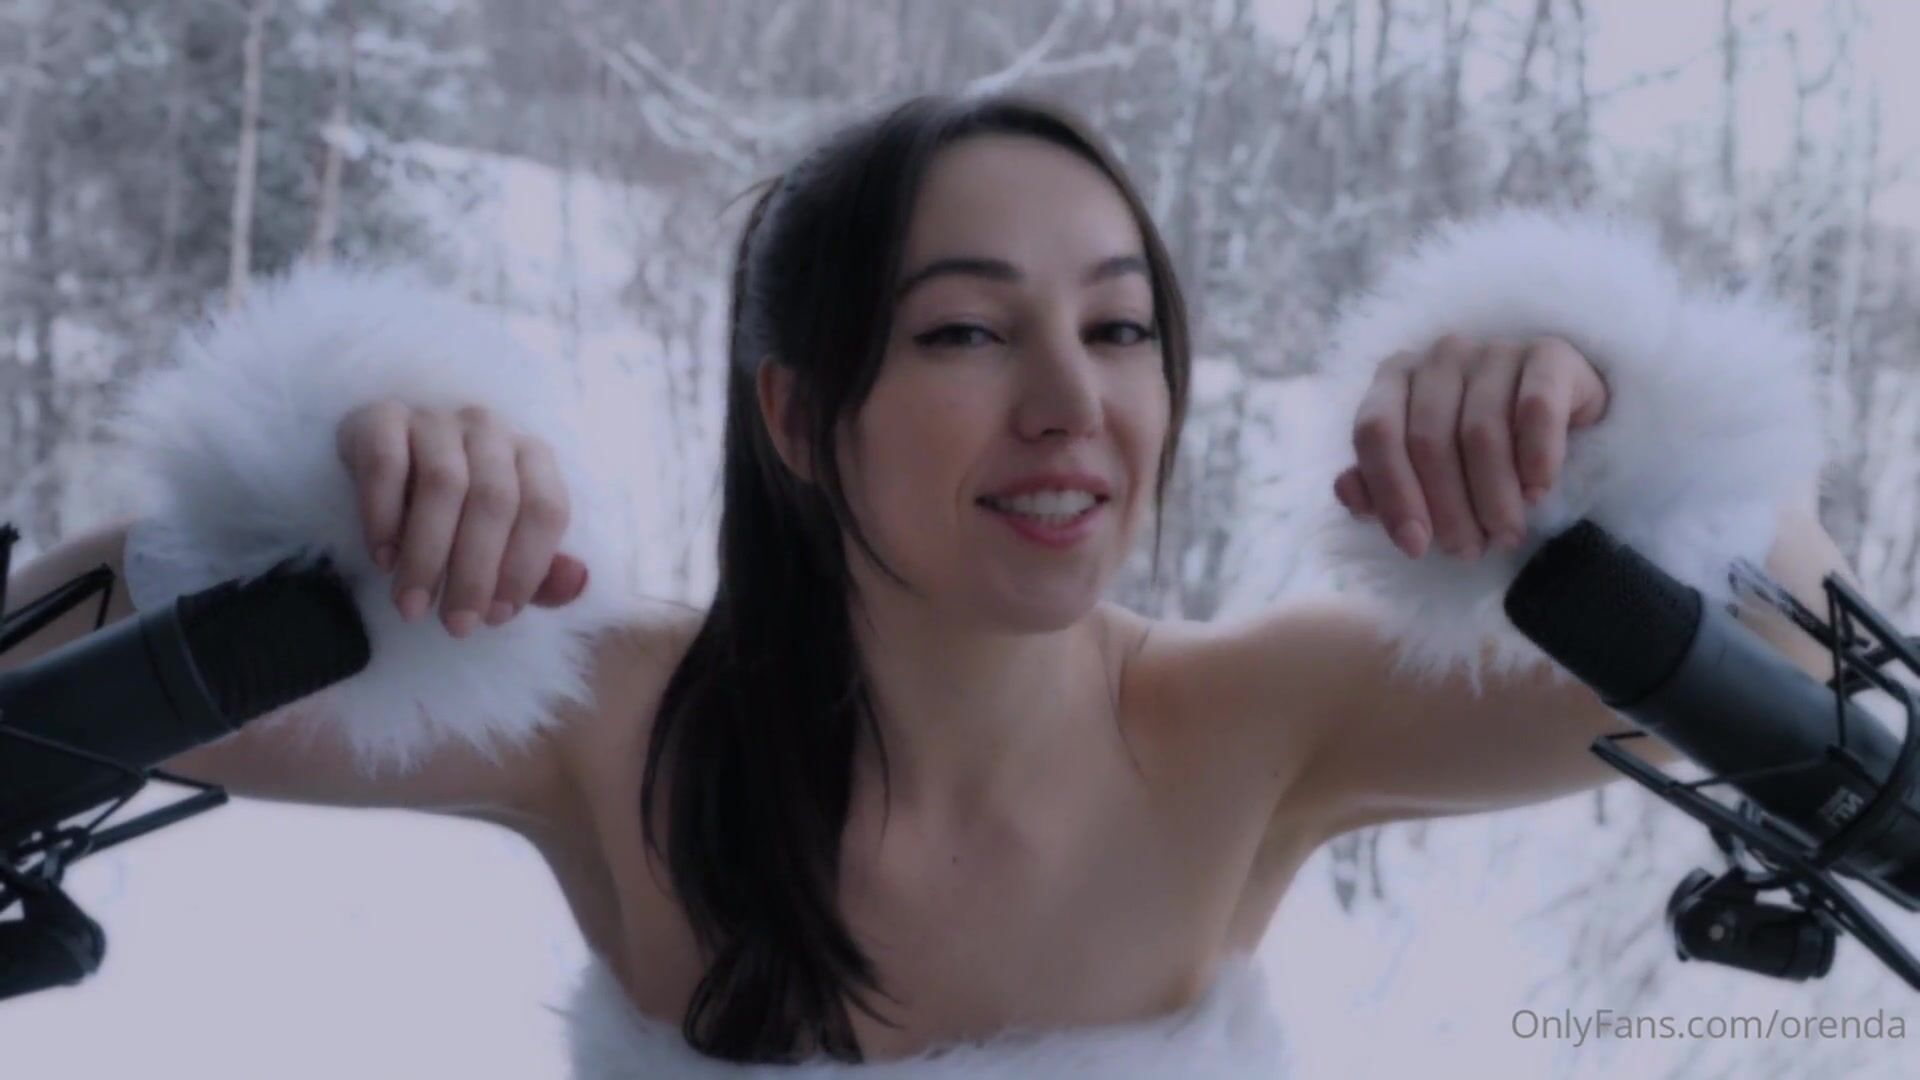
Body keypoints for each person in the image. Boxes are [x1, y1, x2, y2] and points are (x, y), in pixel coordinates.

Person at [3, 93, 1857, 1075]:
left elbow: (1796, 637)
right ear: (798, 416)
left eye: (1118, 329)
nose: (1072, 405)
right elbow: (42, 685)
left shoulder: (1254, 725)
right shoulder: (607, 722)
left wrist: (1608, 419)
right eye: (966, 329)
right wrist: (325, 495)